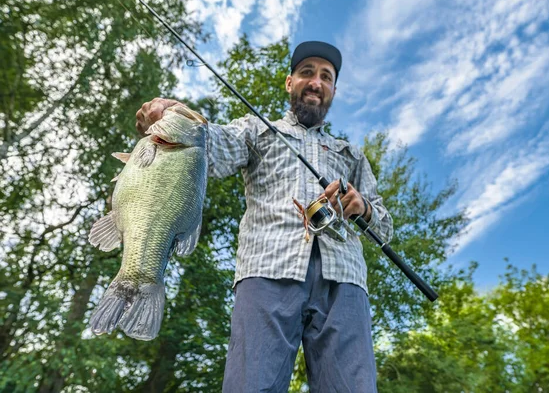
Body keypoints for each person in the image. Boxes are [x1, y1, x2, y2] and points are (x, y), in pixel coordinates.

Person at [136, 41, 393, 392]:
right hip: (266, 273)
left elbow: (385, 226)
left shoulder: (352, 155)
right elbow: (212, 145)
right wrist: (177, 118)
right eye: (307, 73)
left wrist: (362, 207)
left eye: (326, 77)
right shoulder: (255, 130)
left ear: (333, 89)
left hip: (345, 282)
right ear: (290, 82)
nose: (316, 82)